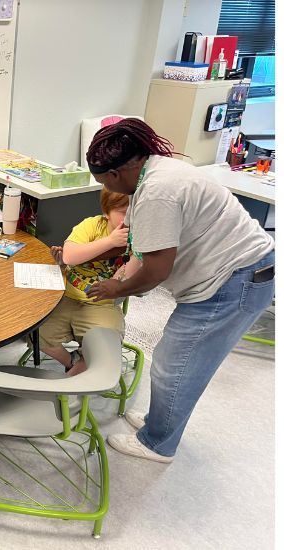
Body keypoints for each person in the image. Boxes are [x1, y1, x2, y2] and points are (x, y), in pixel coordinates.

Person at [85, 118, 274, 463]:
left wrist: (118, 288)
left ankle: (157, 443)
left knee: (177, 367)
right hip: (240, 271)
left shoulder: (158, 192)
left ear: (115, 175)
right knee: (177, 362)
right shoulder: (159, 170)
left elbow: (156, 270)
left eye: (101, 179)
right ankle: (161, 422)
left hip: (232, 281)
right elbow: (143, 250)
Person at [40, 189, 141, 376]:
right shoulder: (92, 225)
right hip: (66, 296)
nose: (130, 218)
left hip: (101, 304)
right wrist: (110, 241)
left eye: (135, 212)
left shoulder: (140, 237)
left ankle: (74, 376)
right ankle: (71, 363)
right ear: (106, 213)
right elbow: (70, 256)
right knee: (38, 334)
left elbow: (124, 276)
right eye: (123, 212)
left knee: (104, 349)